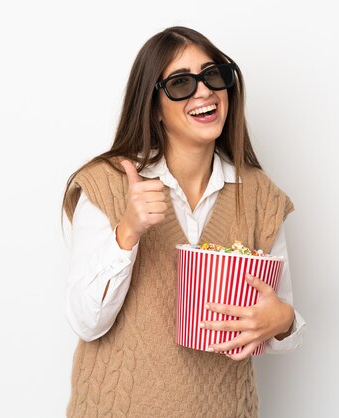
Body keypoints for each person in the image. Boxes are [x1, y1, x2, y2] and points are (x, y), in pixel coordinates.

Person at [61, 26, 306, 418]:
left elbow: (279, 317)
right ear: (153, 105)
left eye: (213, 75)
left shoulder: (260, 195)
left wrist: (284, 319)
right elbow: (85, 322)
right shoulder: (107, 184)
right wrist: (129, 232)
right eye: (180, 83)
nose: (204, 92)